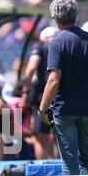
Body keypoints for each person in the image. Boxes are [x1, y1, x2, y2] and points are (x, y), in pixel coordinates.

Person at [38, 0, 88, 175]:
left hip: (65, 110)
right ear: (76, 16)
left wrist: (43, 108)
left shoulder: (57, 42)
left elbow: (53, 80)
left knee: (70, 163)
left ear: (55, 17)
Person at [20, 26, 58, 159]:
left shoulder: (40, 46)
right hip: (62, 95)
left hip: (43, 95)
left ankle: (44, 170)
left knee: (40, 137)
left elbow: (31, 69)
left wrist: (25, 93)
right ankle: (60, 168)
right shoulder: (63, 45)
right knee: (59, 136)